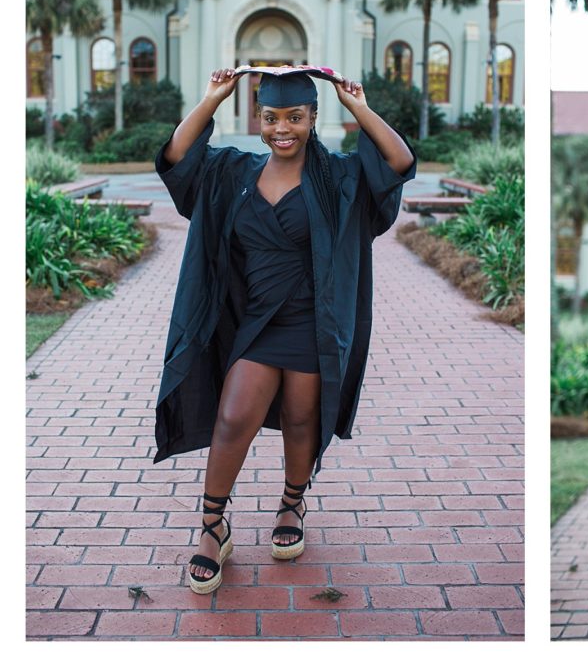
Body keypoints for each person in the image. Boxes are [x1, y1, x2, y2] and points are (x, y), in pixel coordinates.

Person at [156, 66, 416, 594]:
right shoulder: (232, 171)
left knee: (301, 419)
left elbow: (398, 162)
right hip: (252, 323)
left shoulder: (338, 177)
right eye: (271, 117)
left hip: (312, 321)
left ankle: (292, 505)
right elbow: (178, 160)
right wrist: (210, 100)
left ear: (312, 117)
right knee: (233, 418)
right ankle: (212, 527)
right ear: (259, 118)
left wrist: (360, 107)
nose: (282, 128)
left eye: (295, 117)